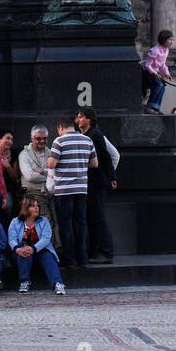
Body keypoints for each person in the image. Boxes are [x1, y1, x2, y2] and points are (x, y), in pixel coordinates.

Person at [47, 117, 98, 268]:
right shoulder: (87, 140)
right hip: (81, 189)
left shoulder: (59, 141)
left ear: (60, 127)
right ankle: (82, 258)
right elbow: (95, 163)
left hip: (63, 191)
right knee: (81, 224)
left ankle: (68, 259)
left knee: (65, 225)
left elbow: (51, 164)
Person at [77, 107, 116, 264]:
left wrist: (112, 176)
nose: (78, 119)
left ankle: (106, 252)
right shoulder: (88, 135)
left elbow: (106, 156)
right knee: (93, 217)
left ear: (89, 119)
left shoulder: (94, 135)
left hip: (95, 183)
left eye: (81, 117)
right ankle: (96, 250)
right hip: (91, 183)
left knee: (98, 217)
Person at [7, 196, 65, 294]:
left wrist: (33, 248)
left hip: (40, 250)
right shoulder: (15, 222)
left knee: (48, 257)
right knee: (24, 253)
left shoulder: (44, 221)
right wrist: (17, 249)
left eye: (37, 206)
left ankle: (58, 283)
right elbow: (12, 239)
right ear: (25, 208)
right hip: (21, 250)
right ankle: (24, 281)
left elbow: (46, 238)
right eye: (33, 206)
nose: (36, 208)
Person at [18, 125, 61, 249]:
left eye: (45, 138)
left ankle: (58, 249)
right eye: (38, 138)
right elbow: (30, 176)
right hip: (34, 193)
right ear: (32, 138)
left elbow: (57, 172)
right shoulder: (24, 155)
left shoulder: (51, 152)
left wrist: (42, 171)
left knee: (58, 220)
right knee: (45, 221)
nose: (42, 141)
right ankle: (49, 249)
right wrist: (49, 173)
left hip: (52, 192)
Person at [141, 30, 174, 113]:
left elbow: (162, 65)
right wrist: (155, 73)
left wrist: (167, 73)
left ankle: (156, 107)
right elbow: (147, 65)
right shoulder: (154, 51)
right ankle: (150, 106)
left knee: (162, 86)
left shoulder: (166, 50)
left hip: (154, 72)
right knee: (158, 84)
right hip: (147, 72)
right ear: (163, 39)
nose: (172, 42)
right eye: (170, 39)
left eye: (172, 40)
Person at [0, 129, 21, 222]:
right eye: (7, 138)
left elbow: (15, 178)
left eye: (11, 139)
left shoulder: (14, 154)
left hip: (8, 189)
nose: (10, 141)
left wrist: (7, 166)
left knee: (8, 207)